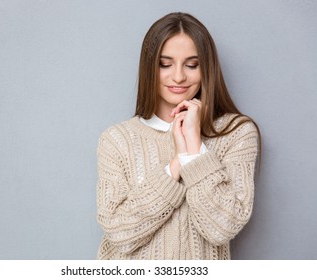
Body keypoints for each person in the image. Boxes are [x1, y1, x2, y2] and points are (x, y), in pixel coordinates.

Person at [96, 12, 261, 260]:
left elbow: (222, 228)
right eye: (165, 64)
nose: (179, 76)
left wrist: (194, 149)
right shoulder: (117, 140)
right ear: (149, 67)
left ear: (207, 69)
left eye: (192, 65)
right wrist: (176, 164)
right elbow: (119, 233)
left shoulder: (236, 133)